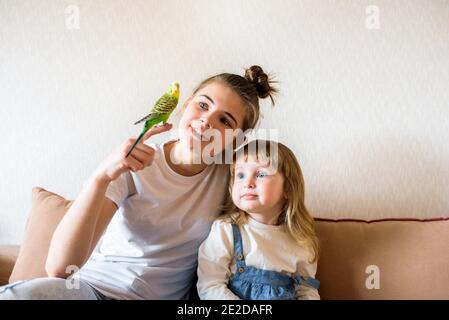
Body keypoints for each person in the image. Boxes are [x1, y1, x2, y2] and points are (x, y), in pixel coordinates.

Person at [0, 66, 278, 300]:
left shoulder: (234, 179)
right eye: (203, 105)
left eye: (225, 121)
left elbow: (273, 220)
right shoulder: (136, 161)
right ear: (186, 104)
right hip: (91, 289)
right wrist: (101, 177)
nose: (206, 122)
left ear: (237, 138)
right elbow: (60, 269)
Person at [197, 139, 320, 300]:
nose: (247, 183)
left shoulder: (301, 240)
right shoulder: (226, 229)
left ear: (288, 189)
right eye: (240, 175)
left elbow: (306, 291)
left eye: (261, 174)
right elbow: (210, 286)